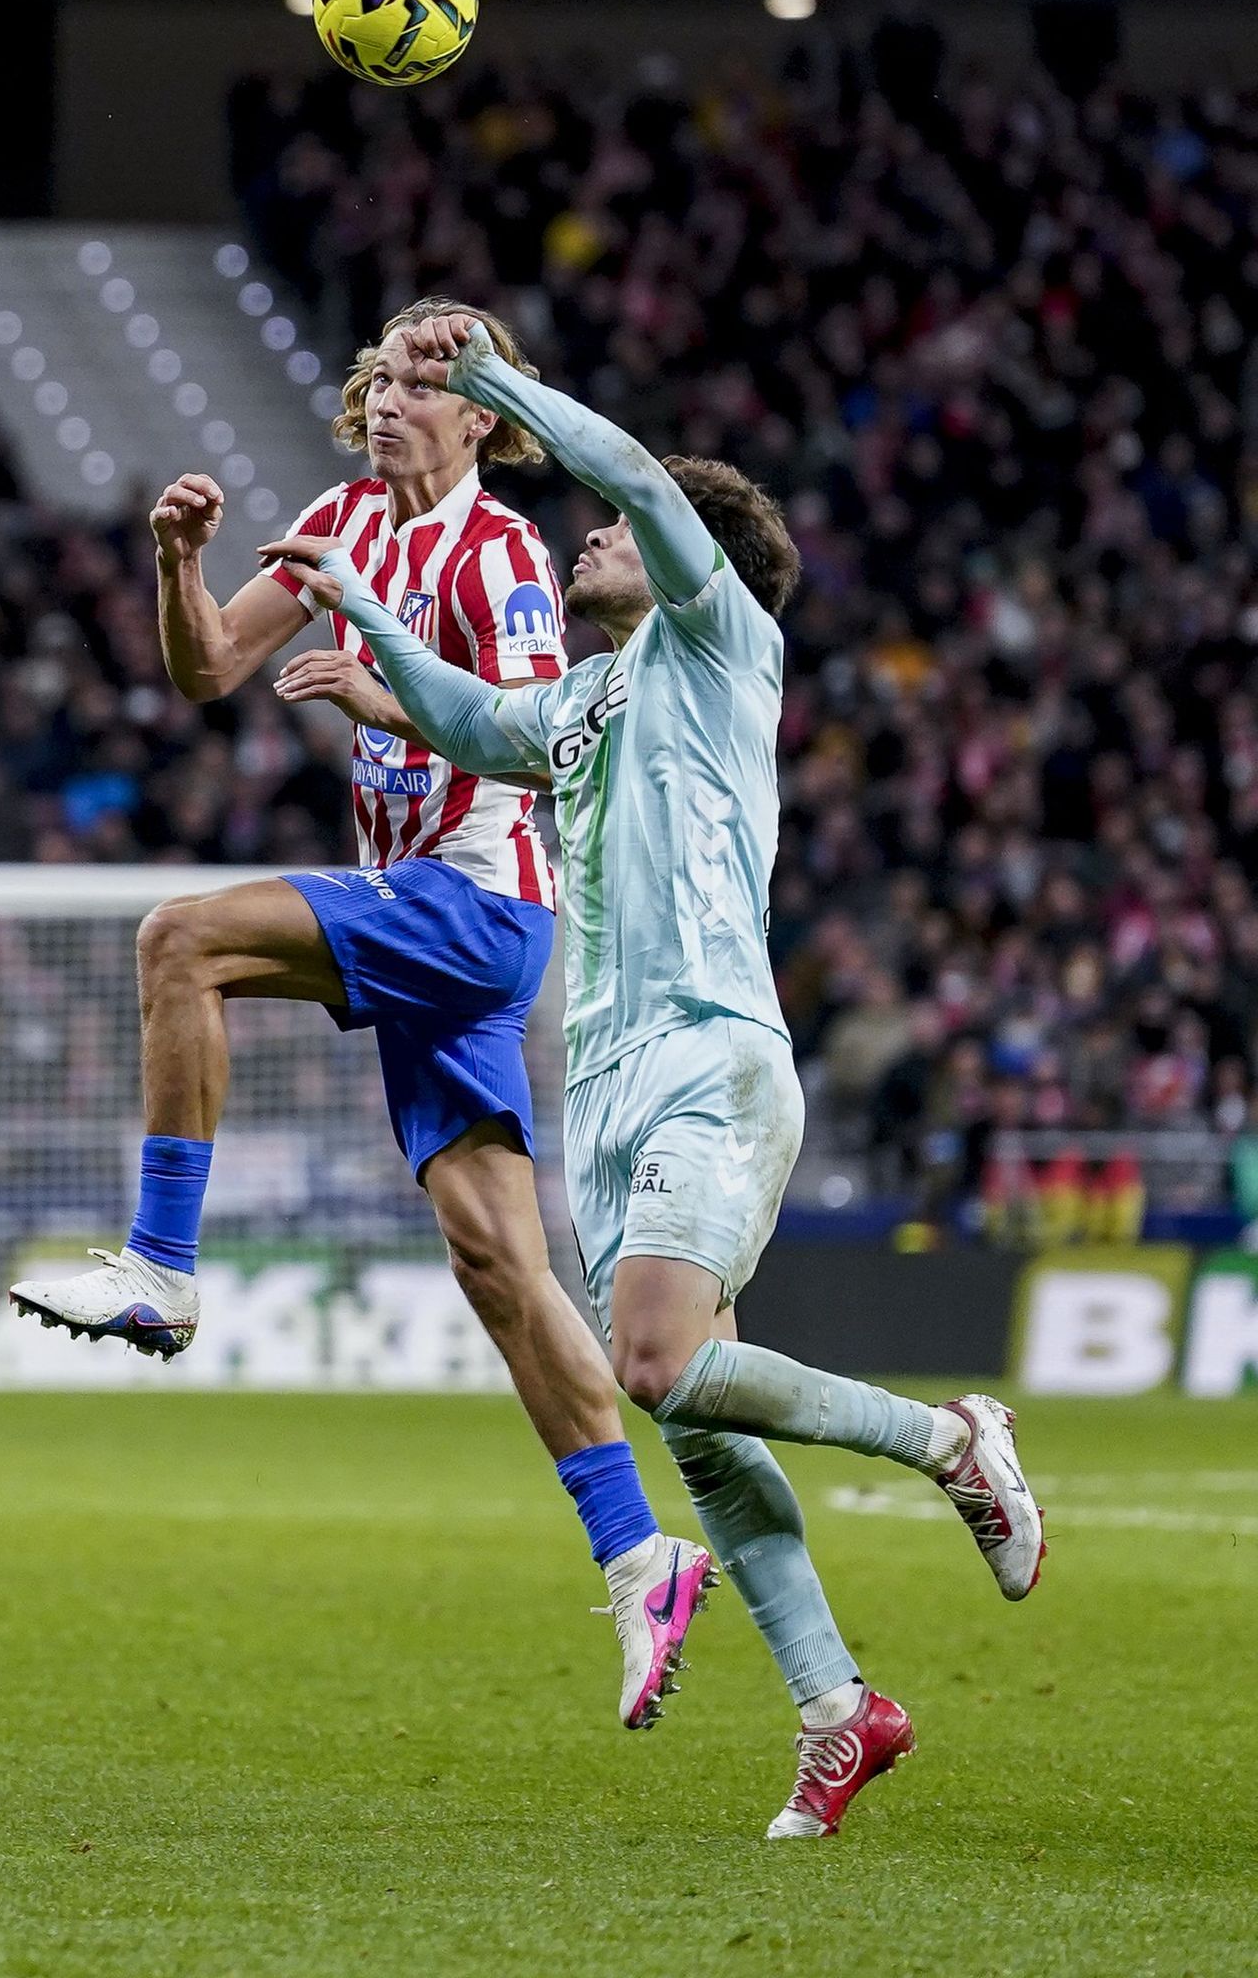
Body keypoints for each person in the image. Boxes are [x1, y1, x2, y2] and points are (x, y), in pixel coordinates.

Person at [263, 313, 1047, 1843]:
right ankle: (837, 1710)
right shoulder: (592, 699)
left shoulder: (722, 641)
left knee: (658, 1365)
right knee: (699, 1426)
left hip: (709, 1049)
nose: (590, 537)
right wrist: (362, 610)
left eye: (609, 529)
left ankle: (955, 1441)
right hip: (608, 1087)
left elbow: (625, 465)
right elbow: (480, 720)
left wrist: (486, 384)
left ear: (687, 555)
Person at [12, 299, 715, 1729]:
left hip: (475, 904)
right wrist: (178, 563)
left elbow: (536, 734)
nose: (396, 399)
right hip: (423, 906)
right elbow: (207, 666)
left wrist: (383, 700)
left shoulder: (505, 552)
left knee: (182, 941)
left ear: (486, 420)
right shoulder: (346, 519)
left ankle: (162, 1264)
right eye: (386, 375)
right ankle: (643, 1555)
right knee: (501, 1268)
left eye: (431, 383)